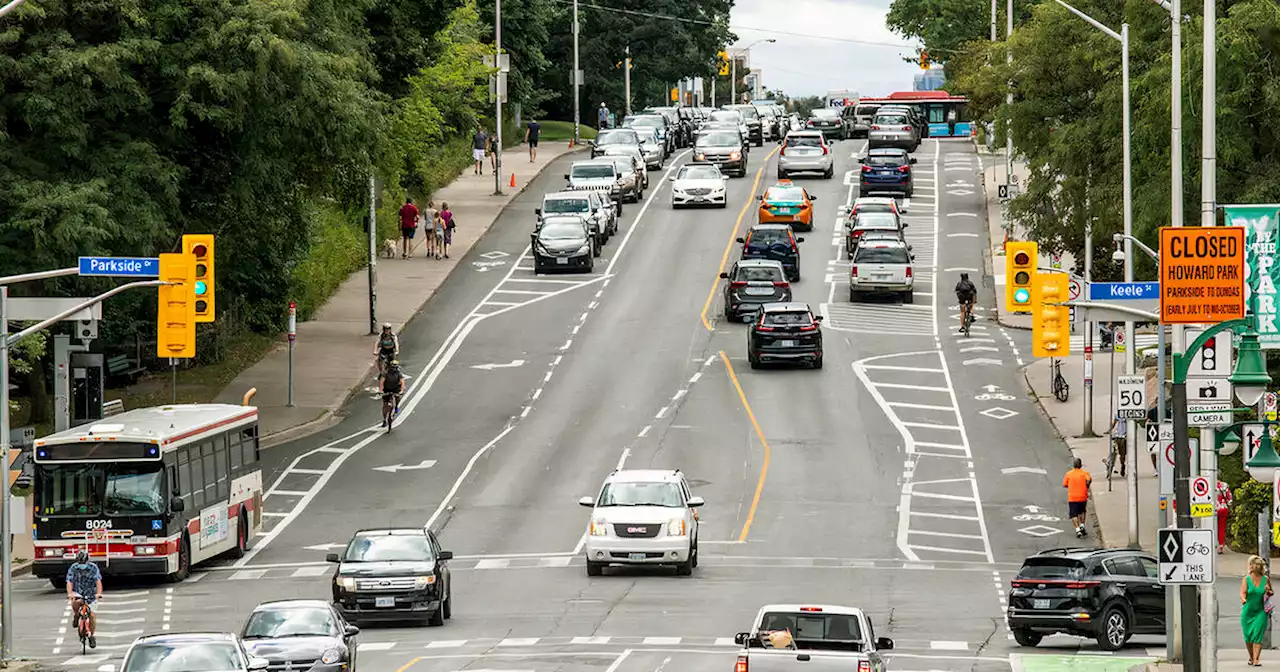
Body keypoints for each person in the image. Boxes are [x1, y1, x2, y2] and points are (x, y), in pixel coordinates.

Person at [66, 549, 103, 649]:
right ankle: (76, 615)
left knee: (92, 615)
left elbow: (98, 581)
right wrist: (70, 594)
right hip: (78, 591)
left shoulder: (93, 568)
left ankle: (92, 635)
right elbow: (69, 581)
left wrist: (98, 594)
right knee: (75, 602)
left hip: (91, 593)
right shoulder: (73, 568)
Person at [1241, 555, 1273, 666]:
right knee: (1248, 636)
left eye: (1252, 565)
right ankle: (1251, 656)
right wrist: (1243, 599)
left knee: (1258, 635)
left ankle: (1256, 659)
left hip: (1261, 611)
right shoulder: (1246, 579)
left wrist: (1268, 590)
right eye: (1250, 564)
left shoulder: (1265, 579)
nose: (1250, 566)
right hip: (1248, 611)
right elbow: (1243, 592)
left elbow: (1271, 592)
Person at [1062, 457, 1092, 537]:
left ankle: (1077, 529)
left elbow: (1065, 484)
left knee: (1073, 514)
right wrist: (1087, 485)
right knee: (1082, 511)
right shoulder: (1085, 473)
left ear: (1073, 465)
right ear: (1081, 465)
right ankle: (1082, 525)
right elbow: (1089, 479)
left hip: (1072, 497)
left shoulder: (1069, 474)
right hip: (1082, 496)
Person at [381, 359, 406, 426]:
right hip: (387, 389)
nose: (393, 368)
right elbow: (382, 382)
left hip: (396, 389)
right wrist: (381, 390)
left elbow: (402, 382)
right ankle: (384, 420)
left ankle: (396, 406)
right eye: (392, 367)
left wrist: (401, 391)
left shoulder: (399, 374)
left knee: (398, 397)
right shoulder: (386, 373)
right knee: (385, 405)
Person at [1217, 480, 1234, 553]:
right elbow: (1229, 499)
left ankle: (1211, 543)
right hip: (1223, 508)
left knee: (1210, 526)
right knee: (1222, 527)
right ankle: (1220, 545)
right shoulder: (1224, 485)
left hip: (1210, 509)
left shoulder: (1207, 483)